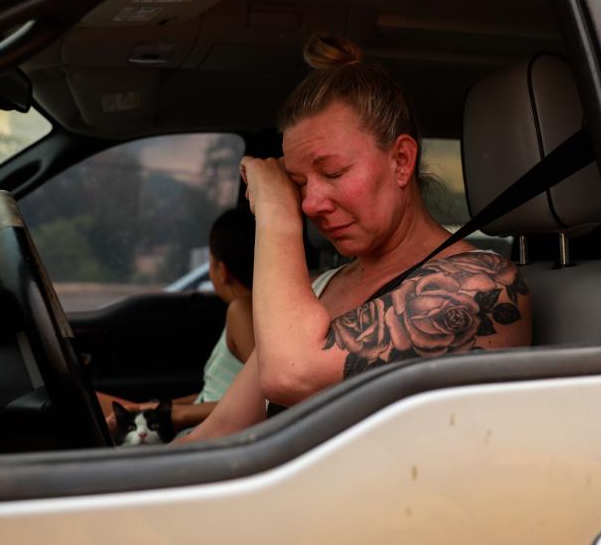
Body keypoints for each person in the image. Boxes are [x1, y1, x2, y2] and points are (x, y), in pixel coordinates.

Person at [176, 33, 531, 444]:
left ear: (401, 161)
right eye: (296, 184)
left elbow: (290, 374)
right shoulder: (320, 288)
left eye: (333, 173)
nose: (310, 203)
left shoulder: (482, 285)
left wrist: (276, 210)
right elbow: (221, 430)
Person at [98, 207, 256, 437]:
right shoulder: (245, 311)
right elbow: (214, 395)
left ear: (222, 270)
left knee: (72, 404)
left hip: (205, 434)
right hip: (204, 424)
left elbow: (264, 396)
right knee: (84, 401)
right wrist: (153, 407)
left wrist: (180, 415)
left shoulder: (241, 311)